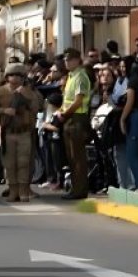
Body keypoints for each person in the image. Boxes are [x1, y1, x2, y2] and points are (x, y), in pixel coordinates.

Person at [0, 62, 44, 202]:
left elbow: (37, 107)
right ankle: (13, 190)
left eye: (18, 75)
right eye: (12, 75)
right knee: (10, 163)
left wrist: (26, 96)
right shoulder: (1, 91)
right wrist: (5, 111)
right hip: (8, 131)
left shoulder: (30, 91)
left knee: (24, 162)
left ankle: (23, 191)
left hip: (24, 132)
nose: (15, 78)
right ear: (7, 77)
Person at [59, 49, 92, 199]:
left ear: (77, 60)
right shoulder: (71, 76)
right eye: (65, 59)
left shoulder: (80, 77)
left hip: (77, 118)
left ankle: (80, 190)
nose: (66, 62)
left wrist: (65, 114)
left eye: (69, 59)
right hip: (69, 118)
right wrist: (61, 112)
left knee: (78, 157)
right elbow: (67, 100)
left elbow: (78, 101)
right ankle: (75, 187)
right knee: (71, 157)